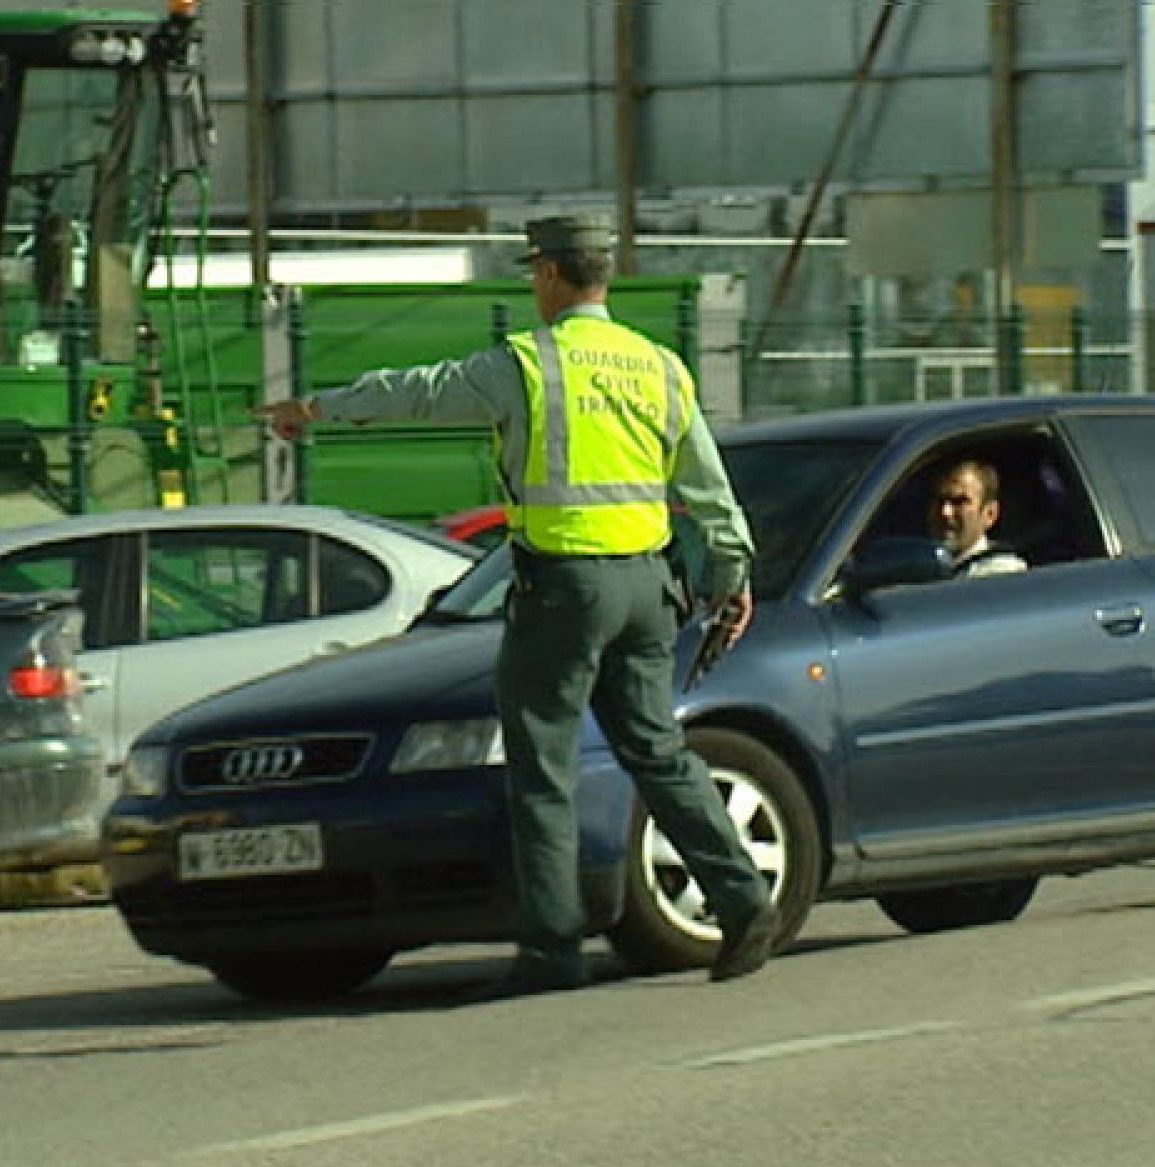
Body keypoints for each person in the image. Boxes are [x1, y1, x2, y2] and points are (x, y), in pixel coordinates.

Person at [260, 212, 777, 995]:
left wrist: (317, 408)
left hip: (565, 585)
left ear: (550, 275)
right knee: (656, 748)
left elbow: (422, 395)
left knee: (543, 765)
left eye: (535, 269)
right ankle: (742, 901)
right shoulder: (659, 366)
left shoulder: (529, 364)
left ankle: (552, 947)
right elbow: (708, 485)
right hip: (647, 584)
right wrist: (733, 576)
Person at [927, 459, 1028, 578]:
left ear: (990, 514)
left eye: (959, 502)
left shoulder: (1001, 572)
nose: (945, 512)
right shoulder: (919, 563)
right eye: (939, 500)